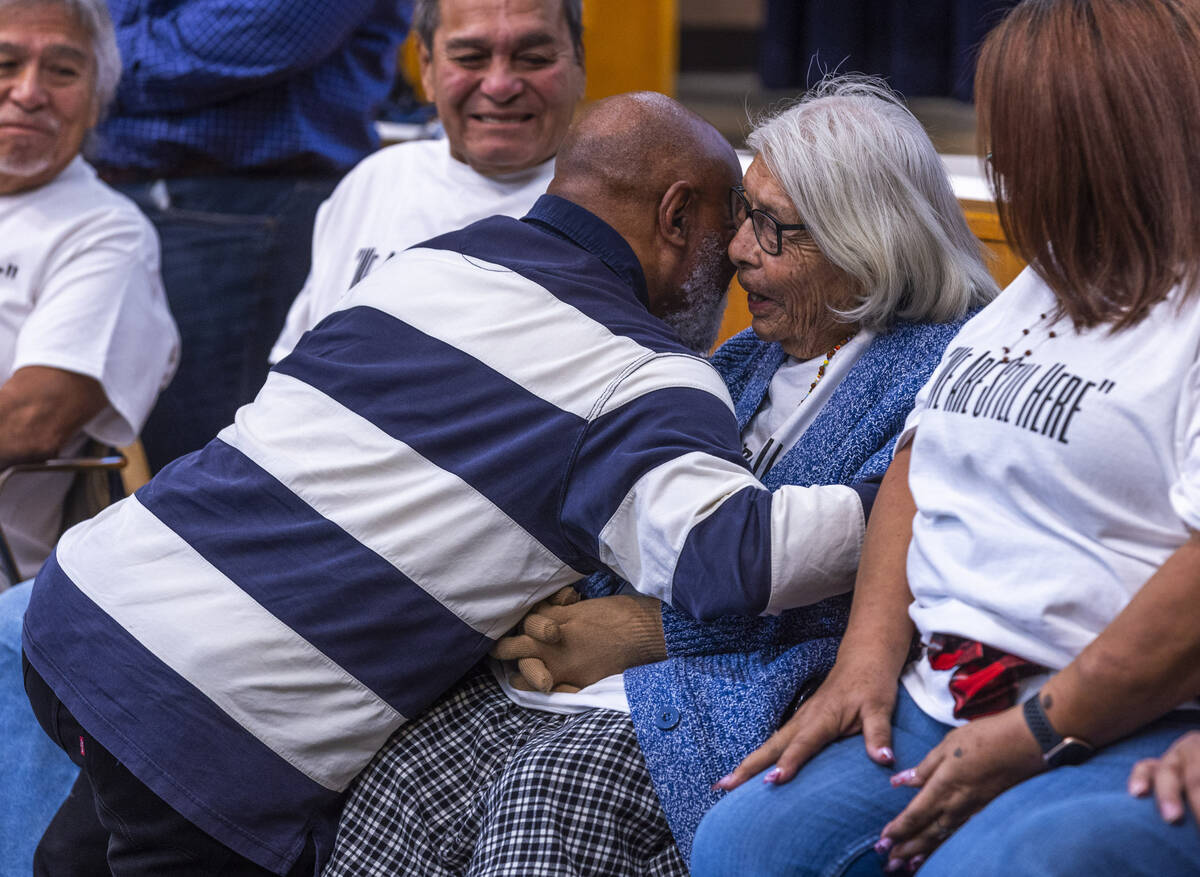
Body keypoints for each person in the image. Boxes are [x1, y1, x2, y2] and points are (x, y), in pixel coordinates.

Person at [22, 91, 889, 877]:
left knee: (85, 839)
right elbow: (730, 559)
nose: (737, 253)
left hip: (84, 615)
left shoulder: (425, 263)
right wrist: (905, 502)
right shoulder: (641, 374)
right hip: (213, 721)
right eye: (730, 220)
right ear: (675, 215)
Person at [321, 76, 997, 876]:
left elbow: (892, 587)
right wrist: (564, 622)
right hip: (615, 684)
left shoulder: (936, 374)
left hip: (745, 698)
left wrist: (650, 632)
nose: (740, 248)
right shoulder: (745, 359)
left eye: (775, 229)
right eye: (745, 214)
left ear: (867, 241)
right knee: (408, 763)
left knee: (551, 791)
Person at [689, 2, 1200, 875]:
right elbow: (918, 464)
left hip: (1124, 718)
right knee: (742, 841)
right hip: (940, 694)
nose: (1006, 184)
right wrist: (865, 661)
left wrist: (1037, 728)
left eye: (1023, 157)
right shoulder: (1038, 284)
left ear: (1110, 155)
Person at [0, 0, 179, 873]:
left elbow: (33, 417)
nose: (28, 91)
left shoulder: (104, 232)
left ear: (97, 99)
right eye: (6, 64)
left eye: (61, 70)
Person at [90, 0, 411, 470]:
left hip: (244, 214)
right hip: (118, 197)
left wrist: (86, 59)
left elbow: (238, 42)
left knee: (205, 471)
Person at [270, 0, 585, 361]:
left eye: (534, 58)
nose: (500, 86)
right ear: (426, 66)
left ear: (579, 63)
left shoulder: (615, 218)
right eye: (469, 58)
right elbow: (291, 366)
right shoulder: (373, 182)